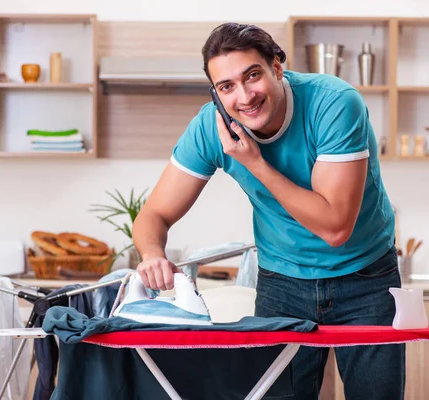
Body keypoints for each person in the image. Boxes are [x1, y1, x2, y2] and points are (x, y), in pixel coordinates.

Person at [132, 22, 404, 400]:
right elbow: (153, 215)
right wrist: (151, 255)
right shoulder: (211, 128)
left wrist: (256, 163)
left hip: (365, 278)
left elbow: (335, 228)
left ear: (277, 67)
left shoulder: (334, 104)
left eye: (253, 75)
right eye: (226, 87)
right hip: (283, 283)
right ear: (215, 93)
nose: (243, 96)